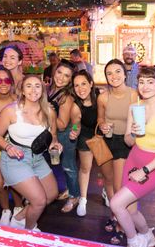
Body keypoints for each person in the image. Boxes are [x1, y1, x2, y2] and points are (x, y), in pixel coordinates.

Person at [110, 67, 155, 247]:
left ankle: (134, 241)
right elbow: (128, 141)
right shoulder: (134, 107)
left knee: (116, 204)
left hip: (154, 166)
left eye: (150, 82)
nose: (145, 86)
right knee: (130, 209)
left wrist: (145, 170)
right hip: (134, 159)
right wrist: (132, 134)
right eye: (141, 82)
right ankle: (146, 233)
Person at [0, 74, 60, 230]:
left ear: (43, 90)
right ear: (22, 90)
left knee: (51, 195)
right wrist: (8, 147)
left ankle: (18, 219)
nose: (33, 90)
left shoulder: (49, 111)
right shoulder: (11, 111)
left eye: (37, 86)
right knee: (39, 201)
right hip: (15, 159)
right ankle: (29, 231)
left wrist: (54, 144)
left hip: (37, 157)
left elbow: (53, 134)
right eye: (28, 85)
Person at [97, 59, 138, 245]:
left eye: (117, 72)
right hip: (107, 141)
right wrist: (103, 125)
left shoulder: (134, 95)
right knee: (108, 181)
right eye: (109, 73)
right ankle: (115, 214)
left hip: (125, 143)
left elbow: (140, 122)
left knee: (120, 184)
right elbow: (99, 120)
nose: (114, 76)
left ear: (125, 74)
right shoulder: (103, 97)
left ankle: (122, 225)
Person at [0, 66, 23, 226]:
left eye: (7, 80)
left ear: (11, 82)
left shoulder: (18, 100)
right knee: (0, 183)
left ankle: (18, 208)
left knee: (15, 182)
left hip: (16, 147)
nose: (3, 83)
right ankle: (5, 210)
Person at [48, 59, 80, 213]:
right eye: (59, 72)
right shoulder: (50, 89)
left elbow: (61, 124)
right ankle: (69, 189)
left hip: (65, 136)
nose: (61, 77)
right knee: (59, 166)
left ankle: (74, 196)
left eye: (66, 76)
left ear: (70, 80)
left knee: (68, 167)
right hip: (52, 135)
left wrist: (47, 113)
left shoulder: (66, 97)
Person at [69, 70, 98, 217]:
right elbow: (76, 124)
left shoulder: (101, 97)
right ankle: (83, 198)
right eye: (76, 85)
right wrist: (74, 131)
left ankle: (106, 191)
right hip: (85, 135)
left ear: (91, 84)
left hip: (102, 135)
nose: (80, 89)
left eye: (84, 84)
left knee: (107, 169)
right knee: (85, 168)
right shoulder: (75, 106)